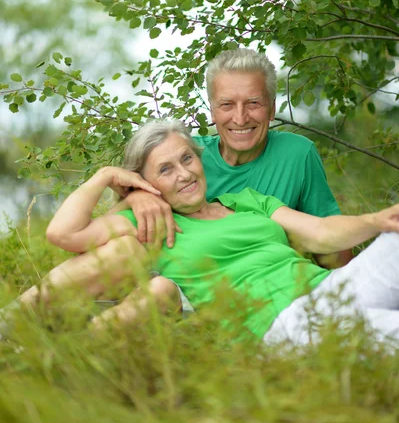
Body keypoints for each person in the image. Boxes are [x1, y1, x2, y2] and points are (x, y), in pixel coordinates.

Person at [11, 119, 399, 346]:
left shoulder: (247, 201)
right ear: (144, 184)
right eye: (165, 170)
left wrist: (377, 221)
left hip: (333, 288)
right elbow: (63, 234)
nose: (183, 174)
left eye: (186, 158)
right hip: (286, 323)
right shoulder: (149, 225)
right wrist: (108, 177)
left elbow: (320, 233)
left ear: (200, 159)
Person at [122, 48, 352, 270]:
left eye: (253, 103)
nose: (240, 118)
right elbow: (119, 214)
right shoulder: (187, 157)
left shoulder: (297, 155)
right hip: (203, 289)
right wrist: (137, 196)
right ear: (213, 111)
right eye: (227, 105)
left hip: (279, 283)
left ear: (271, 109)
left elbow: (332, 249)